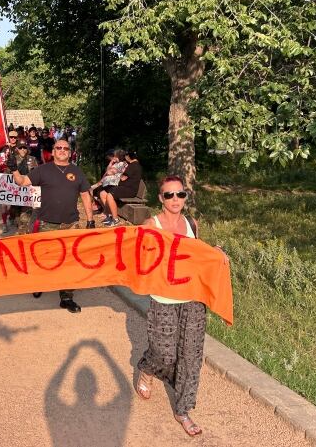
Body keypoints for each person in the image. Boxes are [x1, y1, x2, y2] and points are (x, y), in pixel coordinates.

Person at [135, 175, 227, 437]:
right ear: (160, 198)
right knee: (164, 353)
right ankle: (146, 368)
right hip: (163, 299)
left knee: (191, 355)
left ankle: (183, 409)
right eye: (169, 195)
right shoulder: (151, 225)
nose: (175, 200)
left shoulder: (192, 223)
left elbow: (197, 255)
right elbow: (135, 255)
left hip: (193, 300)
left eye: (180, 194)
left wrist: (215, 251)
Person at [12, 139, 94, 313]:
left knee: (70, 262)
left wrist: (90, 219)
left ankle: (66, 298)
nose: (62, 150)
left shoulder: (76, 171)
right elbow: (22, 182)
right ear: (53, 151)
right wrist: (13, 168)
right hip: (47, 224)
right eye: (59, 148)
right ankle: (39, 284)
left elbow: (85, 195)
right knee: (43, 259)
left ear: (70, 151)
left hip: (71, 225)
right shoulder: (42, 170)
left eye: (66, 148)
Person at [100, 151, 143, 224]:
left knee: (110, 195)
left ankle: (115, 219)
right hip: (125, 188)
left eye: (126, 156)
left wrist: (116, 175)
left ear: (129, 157)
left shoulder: (133, 165)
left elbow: (123, 178)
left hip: (130, 190)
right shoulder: (132, 164)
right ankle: (110, 216)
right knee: (103, 193)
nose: (125, 158)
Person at [8, 140, 39, 234]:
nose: (22, 149)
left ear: (27, 149)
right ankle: (19, 226)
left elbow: (37, 173)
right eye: (20, 147)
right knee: (16, 211)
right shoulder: (12, 159)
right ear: (17, 149)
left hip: (28, 190)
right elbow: (7, 175)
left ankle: (23, 230)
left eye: (24, 147)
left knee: (26, 213)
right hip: (15, 190)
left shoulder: (32, 159)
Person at [91, 149, 127, 226]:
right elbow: (107, 171)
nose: (113, 158)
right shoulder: (115, 164)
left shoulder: (122, 164)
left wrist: (110, 171)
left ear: (118, 157)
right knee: (101, 193)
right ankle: (109, 215)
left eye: (115, 156)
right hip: (108, 184)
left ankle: (113, 217)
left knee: (100, 191)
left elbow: (110, 172)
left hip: (114, 185)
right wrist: (111, 163)